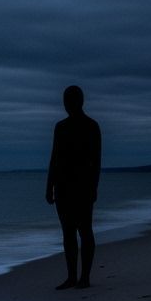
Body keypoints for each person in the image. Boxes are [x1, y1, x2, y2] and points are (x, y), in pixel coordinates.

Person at [46, 85, 101, 289]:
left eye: (69, 100)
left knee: (84, 230)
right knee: (68, 232)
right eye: (65, 100)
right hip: (63, 186)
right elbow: (54, 158)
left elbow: (96, 161)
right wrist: (49, 186)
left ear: (79, 101)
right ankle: (72, 276)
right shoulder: (61, 127)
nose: (67, 104)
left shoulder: (91, 126)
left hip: (82, 186)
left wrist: (94, 187)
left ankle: (84, 277)